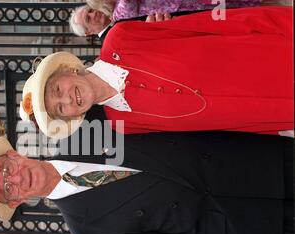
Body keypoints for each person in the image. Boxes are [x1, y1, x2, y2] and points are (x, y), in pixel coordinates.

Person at [0, 130, 294, 234]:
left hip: (244, 160)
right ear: (18, 200)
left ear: (14, 154)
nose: (17, 178)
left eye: (6, 170)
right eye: (7, 188)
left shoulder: (82, 131)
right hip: (240, 224)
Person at [22, 7, 293, 140]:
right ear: (71, 117)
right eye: (60, 108)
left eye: (58, 90)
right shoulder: (120, 126)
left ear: (68, 70)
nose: (68, 99)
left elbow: (206, 24)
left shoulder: (120, 38)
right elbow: (210, 132)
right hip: (271, 111)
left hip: (275, 56)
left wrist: (283, 23)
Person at [69, 0, 266, 37]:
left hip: (183, 5)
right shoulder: (119, 13)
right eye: (89, 17)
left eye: (89, 11)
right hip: (183, 8)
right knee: (229, 10)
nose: (93, 14)